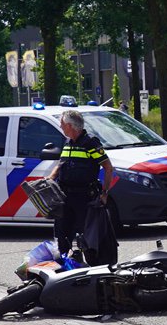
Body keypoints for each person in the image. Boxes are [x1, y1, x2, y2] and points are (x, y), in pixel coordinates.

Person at [47, 108, 116, 258]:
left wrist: (105, 194)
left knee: (88, 236)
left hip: (84, 197)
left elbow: (108, 168)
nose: (60, 127)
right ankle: (66, 265)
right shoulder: (67, 142)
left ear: (70, 126)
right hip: (65, 196)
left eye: (62, 124)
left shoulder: (91, 143)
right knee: (62, 233)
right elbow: (61, 164)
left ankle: (93, 267)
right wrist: (50, 179)